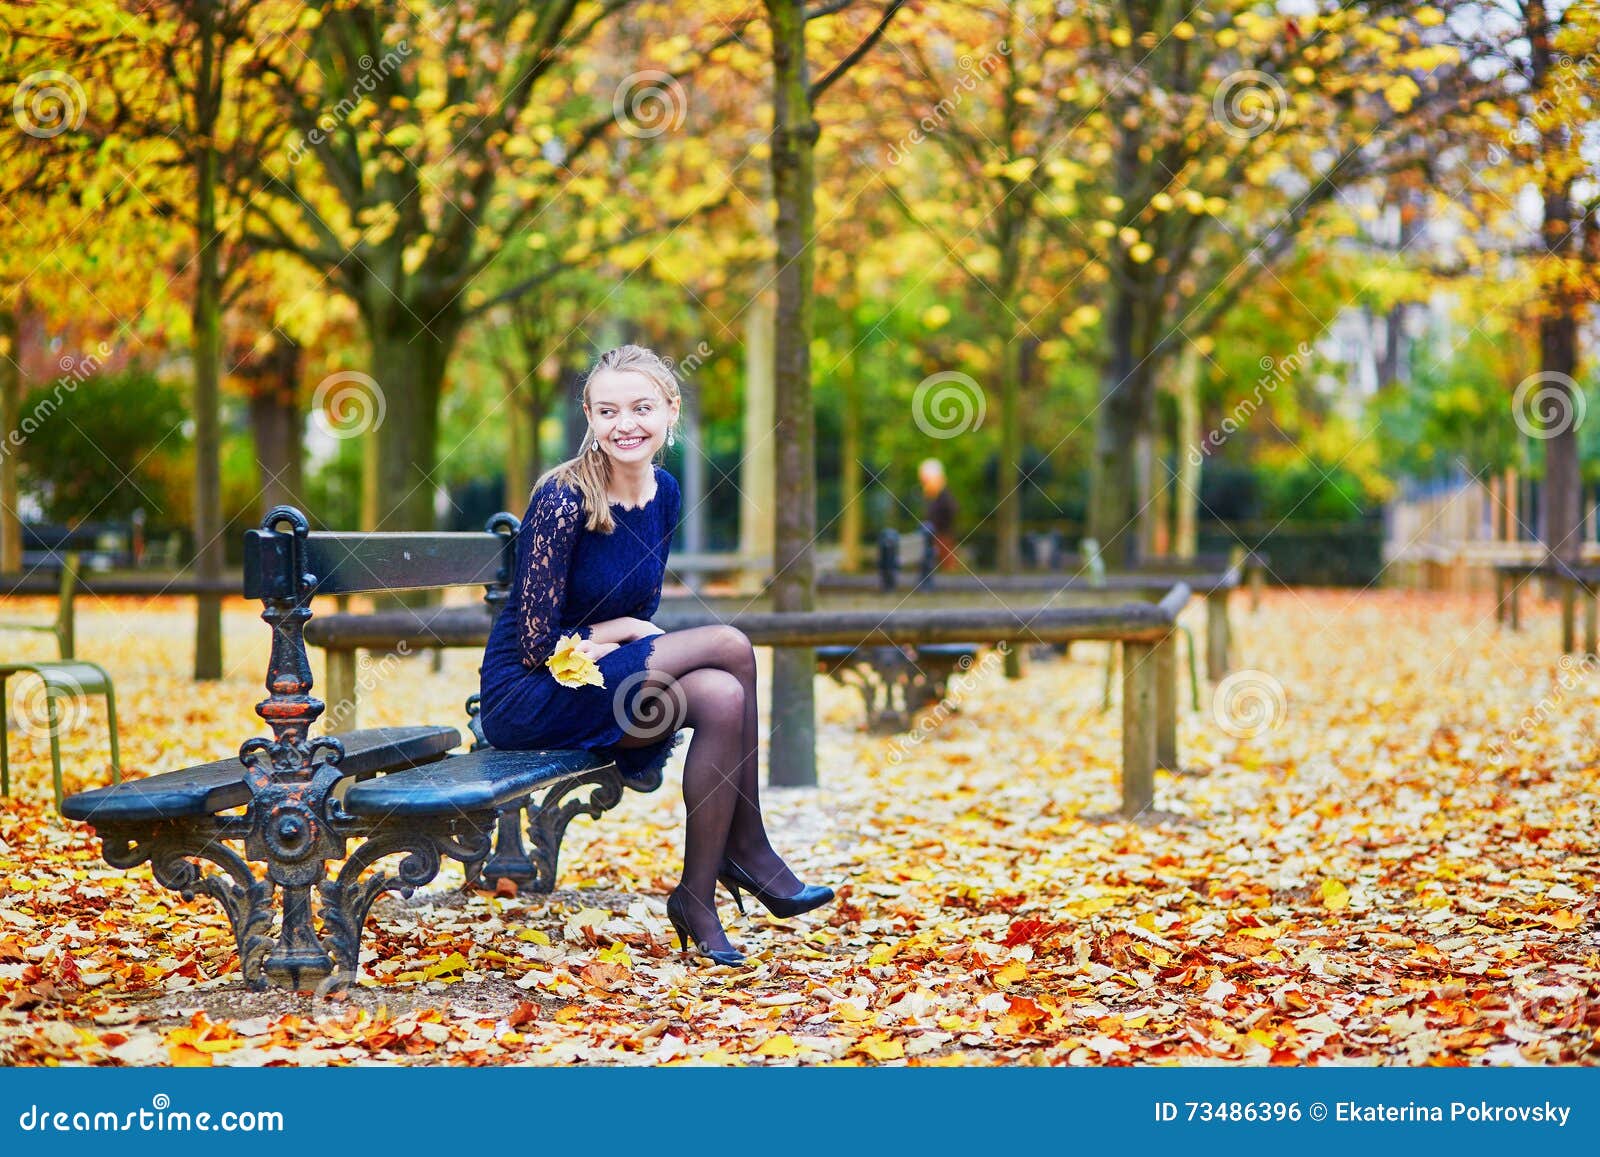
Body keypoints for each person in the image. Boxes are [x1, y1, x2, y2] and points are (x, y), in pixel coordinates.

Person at [478, 344, 832, 966]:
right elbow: (534, 645)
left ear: (671, 411)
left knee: (723, 694)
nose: (626, 424)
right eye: (608, 410)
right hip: (530, 694)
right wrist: (622, 627)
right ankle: (748, 847)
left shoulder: (664, 493)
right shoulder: (563, 500)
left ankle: (696, 896)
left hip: (598, 683)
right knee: (731, 644)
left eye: (642, 407)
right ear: (589, 417)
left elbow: (637, 612)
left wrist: (626, 632)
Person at [919, 458, 959, 571]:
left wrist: (939, 528)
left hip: (942, 536)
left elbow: (952, 511)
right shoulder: (932, 495)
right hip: (934, 536)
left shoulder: (944, 496)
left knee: (947, 567)